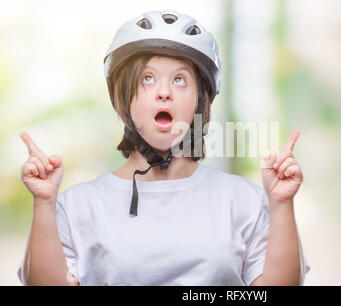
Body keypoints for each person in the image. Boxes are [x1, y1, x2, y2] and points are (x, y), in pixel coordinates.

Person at [17, 10, 310, 286]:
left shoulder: (244, 200)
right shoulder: (78, 206)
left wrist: (282, 205)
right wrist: (43, 203)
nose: (164, 92)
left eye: (180, 80)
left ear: (200, 100)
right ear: (123, 97)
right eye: (147, 78)